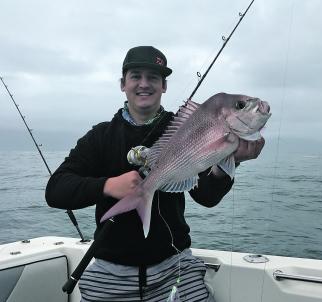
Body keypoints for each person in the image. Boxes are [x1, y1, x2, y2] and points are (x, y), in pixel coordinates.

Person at [45, 46, 265, 302]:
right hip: (111, 271)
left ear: (164, 86)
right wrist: (108, 186)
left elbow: (206, 196)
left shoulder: (190, 126)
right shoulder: (100, 137)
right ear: (122, 84)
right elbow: (56, 190)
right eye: (136, 76)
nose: (144, 84)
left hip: (175, 266)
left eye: (153, 78)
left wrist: (231, 162)